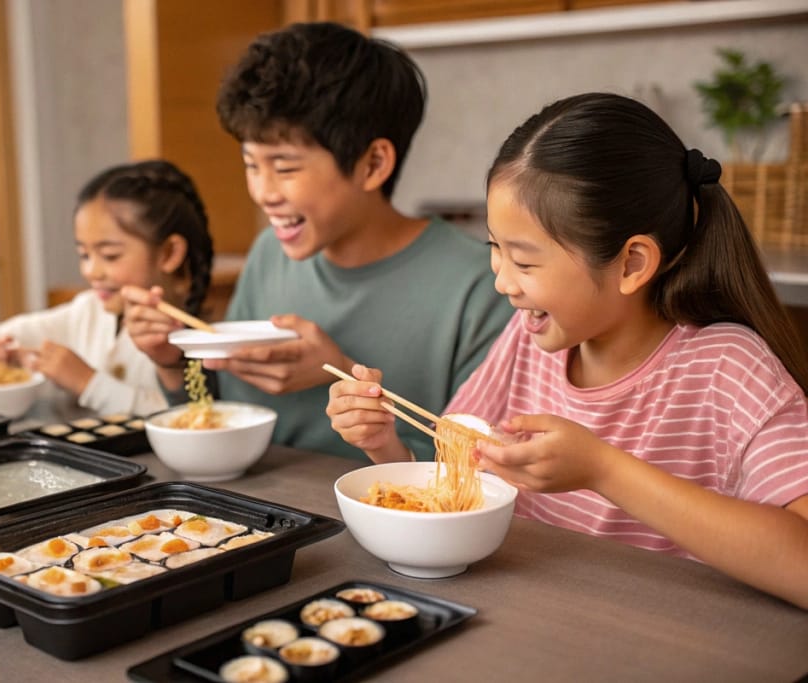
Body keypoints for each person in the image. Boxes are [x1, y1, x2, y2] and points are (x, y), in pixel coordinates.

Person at [326, 92, 808, 608]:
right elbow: (454, 488)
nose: (502, 282)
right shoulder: (530, 341)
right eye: (495, 250)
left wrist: (604, 469)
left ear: (631, 264)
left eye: (526, 263)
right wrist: (385, 446)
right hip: (531, 617)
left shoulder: (727, 368)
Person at [123, 21, 513, 460]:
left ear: (373, 164)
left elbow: (477, 474)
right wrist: (171, 362)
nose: (264, 193)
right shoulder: (270, 252)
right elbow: (218, 416)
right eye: (252, 165)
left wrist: (344, 376)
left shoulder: (481, 286)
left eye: (285, 167)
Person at [0, 159, 214, 417]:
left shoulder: (199, 335)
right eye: (84, 255)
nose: (91, 271)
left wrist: (87, 383)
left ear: (169, 253)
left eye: (110, 255)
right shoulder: (88, 311)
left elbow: (188, 416)